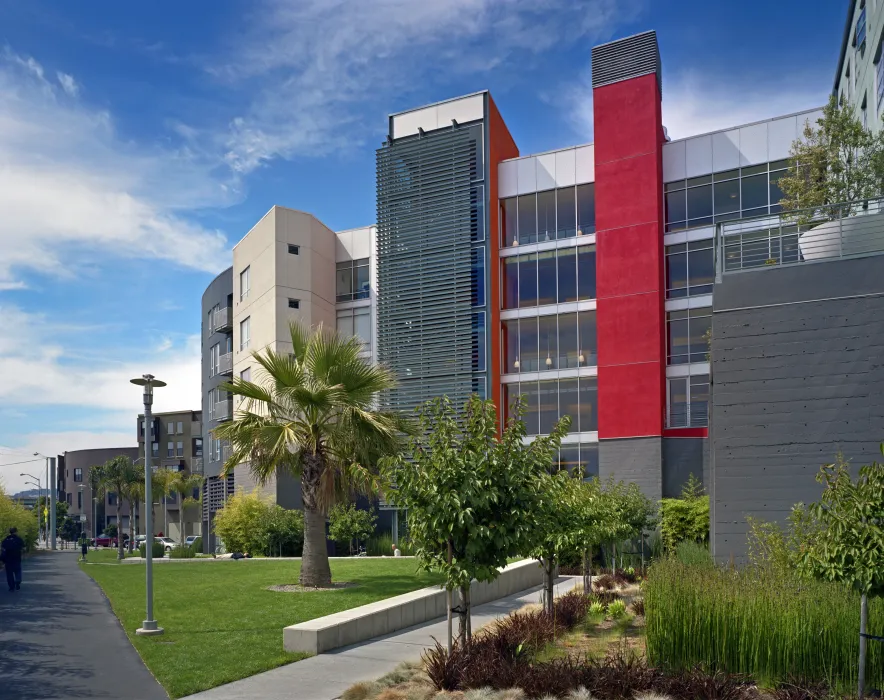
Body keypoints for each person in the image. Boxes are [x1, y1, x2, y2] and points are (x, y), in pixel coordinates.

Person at [1, 527, 25, 592]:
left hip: (8, 560)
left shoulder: (6, 540)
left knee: (9, 574)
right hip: (17, 559)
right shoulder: (18, 539)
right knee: (18, 571)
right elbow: (23, 548)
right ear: (16, 532)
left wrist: (3, 560)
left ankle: (11, 587)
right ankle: (17, 581)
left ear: (10, 532)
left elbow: (3, 550)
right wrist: (22, 555)